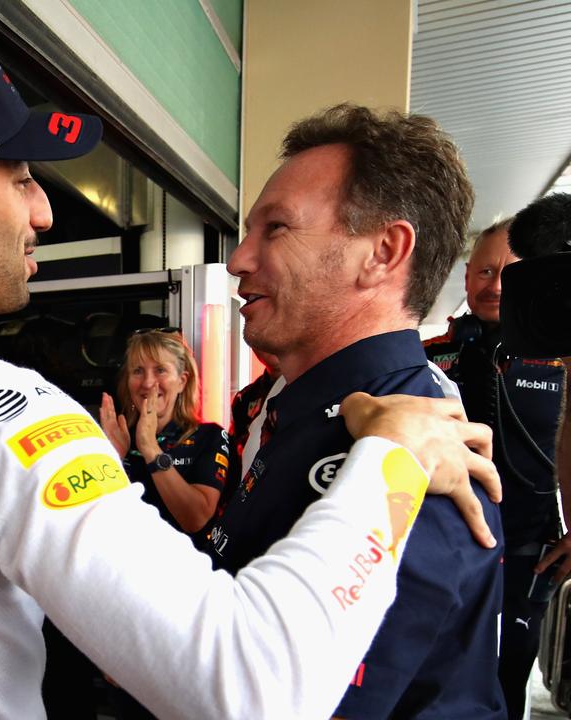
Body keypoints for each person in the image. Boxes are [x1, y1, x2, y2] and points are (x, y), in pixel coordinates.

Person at [0, 22, 500, 720]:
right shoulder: (4, 418)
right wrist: (394, 462)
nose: (43, 211)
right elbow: (252, 684)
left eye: (275, 228)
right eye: (20, 178)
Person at [195, 104, 504, 718]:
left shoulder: (422, 461)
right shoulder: (308, 413)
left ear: (384, 251)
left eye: (275, 228)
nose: (238, 259)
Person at [427, 219, 567, 718]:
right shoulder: (425, 359)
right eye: (485, 270)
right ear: (466, 277)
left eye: (511, 272)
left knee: (507, 687)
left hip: (529, 560)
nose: (496, 285)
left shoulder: (562, 362)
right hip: (438, 558)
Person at [99, 330, 230, 538]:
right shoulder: (118, 437)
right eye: (138, 371)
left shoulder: (210, 436)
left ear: (182, 381)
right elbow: (97, 521)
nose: (148, 383)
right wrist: (113, 459)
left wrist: (150, 448)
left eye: (160, 370)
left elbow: (196, 518)